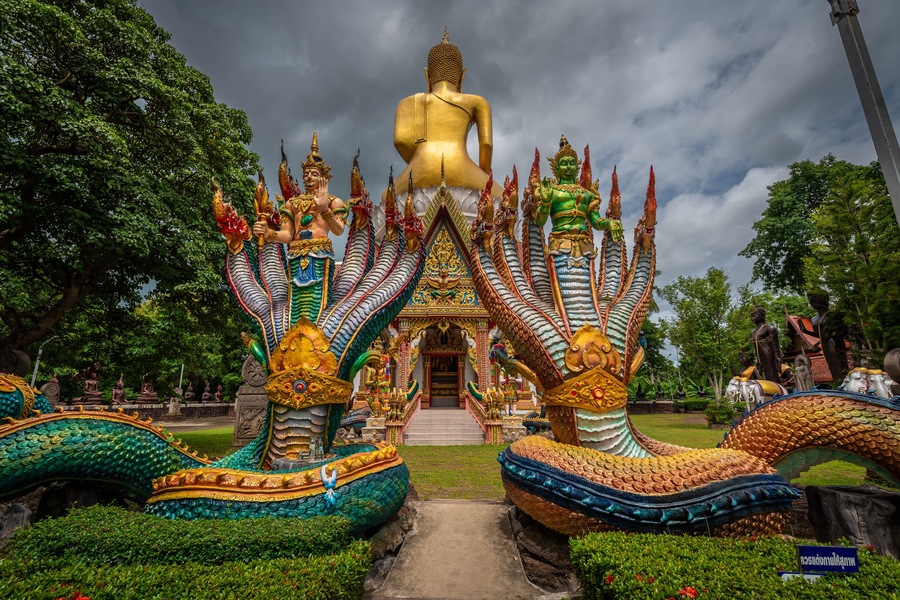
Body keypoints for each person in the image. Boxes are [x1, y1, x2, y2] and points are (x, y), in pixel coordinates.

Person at [389, 28, 501, 197]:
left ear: (427, 75)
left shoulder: (406, 103)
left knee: (386, 196)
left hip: (419, 170)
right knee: (503, 195)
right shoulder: (477, 102)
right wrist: (484, 181)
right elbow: (486, 145)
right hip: (462, 168)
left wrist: (421, 163)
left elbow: (400, 141)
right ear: (462, 77)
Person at [251, 134, 346, 309]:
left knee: (318, 301)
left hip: (320, 254)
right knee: (296, 303)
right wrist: (269, 233)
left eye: (314, 174)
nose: (309, 177)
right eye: (306, 174)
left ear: (323, 178)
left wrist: (324, 209)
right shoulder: (293, 204)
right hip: (295, 255)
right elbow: (287, 235)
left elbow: (339, 230)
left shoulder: (334, 202)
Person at [534, 136, 623, 260]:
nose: (569, 167)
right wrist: (545, 202)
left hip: (584, 246)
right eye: (564, 164)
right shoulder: (552, 191)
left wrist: (609, 223)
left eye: (572, 163)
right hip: (559, 244)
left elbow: (596, 222)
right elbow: (539, 221)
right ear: (557, 168)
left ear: (577, 167)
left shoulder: (586, 194)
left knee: (588, 280)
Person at [750, 305, 784, 384]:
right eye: (751, 316)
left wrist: (778, 358)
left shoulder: (769, 329)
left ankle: (777, 389)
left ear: (762, 315)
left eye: (754, 315)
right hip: (760, 357)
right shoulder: (753, 332)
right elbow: (755, 348)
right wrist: (758, 360)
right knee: (766, 375)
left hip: (769, 354)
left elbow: (776, 347)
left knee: (772, 374)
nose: (752, 318)